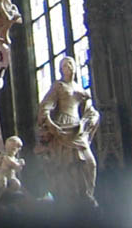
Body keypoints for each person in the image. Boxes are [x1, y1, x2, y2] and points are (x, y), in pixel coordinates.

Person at [36, 56, 99, 208]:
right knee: (67, 165)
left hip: (78, 129)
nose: (68, 66)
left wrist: (92, 118)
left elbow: (90, 110)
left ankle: (87, 195)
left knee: (90, 163)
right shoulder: (59, 86)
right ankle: (70, 198)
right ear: (60, 69)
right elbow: (46, 106)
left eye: (70, 63)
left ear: (75, 67)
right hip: (63, 126)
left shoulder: (80, 88)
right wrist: (51, 125)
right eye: (64, 65)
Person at [0, 135, 25, 203]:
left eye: (16, 149)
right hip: (3, 175)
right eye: (13, 149)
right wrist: (20, 163)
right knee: (3, 184)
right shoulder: (6, 158)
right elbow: (14, 165)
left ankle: (6, 194)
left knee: (17, 184)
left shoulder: (14, 158)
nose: (15, 151)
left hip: (11, 176)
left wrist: (19, 163)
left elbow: (18, 169)